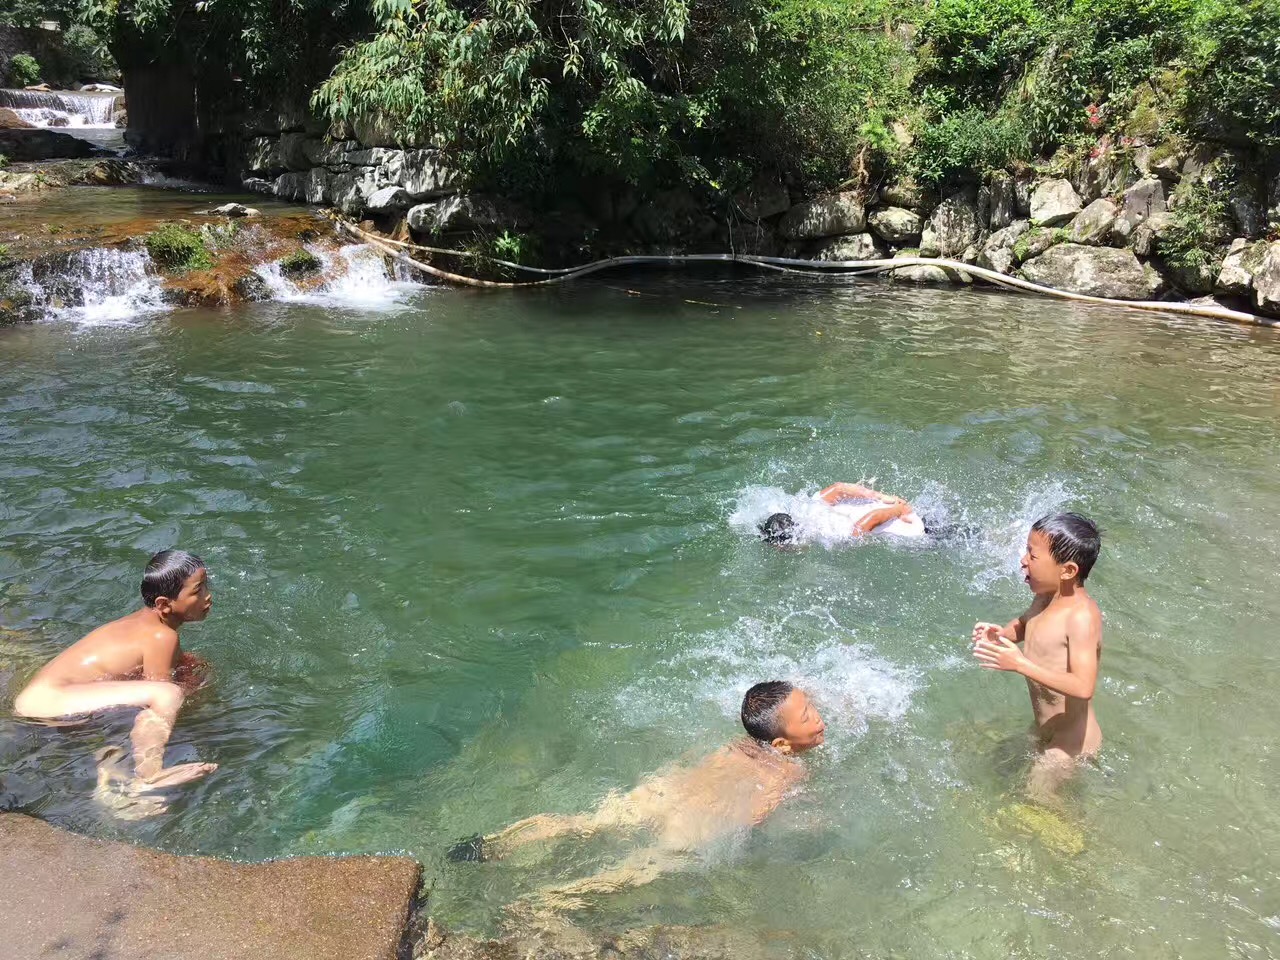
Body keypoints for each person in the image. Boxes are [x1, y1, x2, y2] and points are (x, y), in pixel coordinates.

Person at [447, 681, 825, 910]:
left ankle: (493, 845)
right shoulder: (790, 770)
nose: (819, 717)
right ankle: (545, 900)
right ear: (781, 744)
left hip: (663, 792)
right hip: (693, 824)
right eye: (808, 715)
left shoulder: (735, 745)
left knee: (585, 823)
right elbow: (755, 816)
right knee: (631, 870)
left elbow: (692, 762)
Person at [14, 549, 218, 809]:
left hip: (42, 698)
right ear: (164, 605)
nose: (207, 596)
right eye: (197, 590)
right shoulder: (162, 636)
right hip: (48, 702)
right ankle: (149, 775)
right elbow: (155, 696)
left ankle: (111, 764)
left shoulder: (147, 623)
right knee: (167, 693)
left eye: (205, 585)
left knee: (187, 667)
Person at [971, 513, 1103, 800]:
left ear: (1067, 571)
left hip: (1071, 743)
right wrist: (1002, 635)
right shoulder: (1046, 595)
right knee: (1003, 772)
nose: (1022, 560)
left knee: (1037, 799)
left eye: (1032, 555)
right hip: (1044, 727)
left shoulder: (1082, 617)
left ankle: (1073, 841)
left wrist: (1020, 664)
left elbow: (1083, 686)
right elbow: (1027, 623)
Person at [759, 481, 923, 544]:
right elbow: (838, 489)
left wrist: (897, 510)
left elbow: (863, 527)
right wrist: (881, 497)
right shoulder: (808, 505)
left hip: (911, 529)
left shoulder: (826, 533)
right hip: (894, 511)